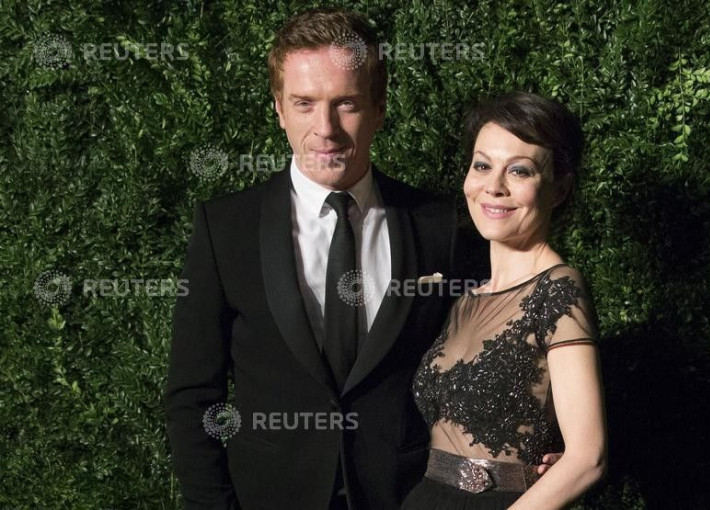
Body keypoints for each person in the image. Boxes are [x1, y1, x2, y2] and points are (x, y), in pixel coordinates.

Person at [165, 9, 559, 510]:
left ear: (379, 107)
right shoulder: (226, 229)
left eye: (345, 103)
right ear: (279, 109)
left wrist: (535, 443)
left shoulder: (444, 228)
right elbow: (191, 398)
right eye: (303, 104)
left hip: (410, 498)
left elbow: (495, 360)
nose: (324, 128)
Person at [403, 92, 607, 509]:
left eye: (519, 171)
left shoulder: (558, 288)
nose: (493, 187)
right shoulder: (464, 300)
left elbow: (588, 457)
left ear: (560, 189)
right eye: (482, 165)